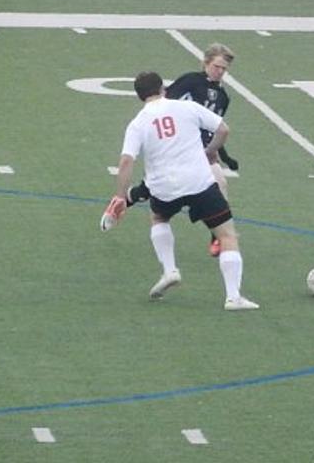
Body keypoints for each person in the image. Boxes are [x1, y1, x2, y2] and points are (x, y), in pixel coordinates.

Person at [100, 71, 259, 311]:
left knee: (159, 217)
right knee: (227, 235)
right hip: (199, 182)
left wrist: (120, 196)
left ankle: (169, 270)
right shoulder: (187, 108)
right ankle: (233, 296)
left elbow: (125, 162)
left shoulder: (138, 123)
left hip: (163, 188)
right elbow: (223, 129)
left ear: (139, 96)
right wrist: (209, 151)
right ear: (163, 88)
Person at [118, 43, 241, 258]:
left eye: (224, 68)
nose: (220, 72)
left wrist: (224, 156)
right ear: (206, 63)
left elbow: (217, 129)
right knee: (159, 183)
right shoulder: (191, 81)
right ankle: (129, 196)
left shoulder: (223, 97)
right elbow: (165, 104)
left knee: (220, 183)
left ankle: (216, 236)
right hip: (180, 143)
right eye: (217, 66)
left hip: (203, 150)